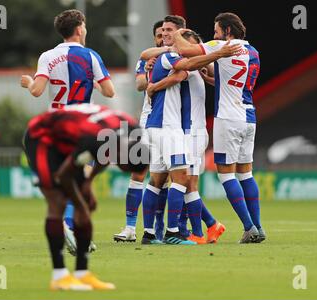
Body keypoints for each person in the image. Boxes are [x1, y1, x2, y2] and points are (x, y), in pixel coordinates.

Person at [23, 104, 148, 291]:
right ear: (122, 156)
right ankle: (59, 276)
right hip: (42, 137)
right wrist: (79, 203)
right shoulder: (94, 138)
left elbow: (106, 152)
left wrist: (88, 183)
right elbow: (64, 176)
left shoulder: (132, 131)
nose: (123, 171)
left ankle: (82, 273)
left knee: (85, 203)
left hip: (71, 137)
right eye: (124, 168)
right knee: (57, 201)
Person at [20, 9, 115, 253]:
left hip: (54, 125)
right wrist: (93, 82)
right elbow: (110, 92)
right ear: (80, 29)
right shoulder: (90, 56)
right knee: (80, 177)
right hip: (79, 125)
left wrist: (28, 82)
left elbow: (37, 91)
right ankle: (69, 225)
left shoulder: (47, 56)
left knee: (65, 178)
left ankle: (66, 224)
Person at [141, 15, 241, 245]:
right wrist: (216, 54)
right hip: (173, 128)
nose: (165, 35)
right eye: (162, 31)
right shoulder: (169, 58)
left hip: (174, 128)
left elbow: (192, 70)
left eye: (169, 31)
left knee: (159, 180)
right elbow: (183, 69)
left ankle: (154, 233)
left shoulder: (179, 61)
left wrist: (154, 85)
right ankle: (180, 232)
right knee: (183, 181)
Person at [173, 12, 266, 243]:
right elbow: (237, 82)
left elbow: (185, 51)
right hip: (248, 116)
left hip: (228, 118)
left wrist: (176, 33)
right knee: (246, 173)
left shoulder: (222, 45)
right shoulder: (253, 52)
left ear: (227, 31)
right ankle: (259, 227)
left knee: (226, 176)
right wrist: (213, 79)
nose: (213, 36)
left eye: (216, 31)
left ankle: (248, 228)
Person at [113, 20, 168, 243]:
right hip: (148, 121)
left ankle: (162, 228)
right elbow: (138, 85)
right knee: (139, 173)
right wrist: (149, 74)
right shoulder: (147, 59)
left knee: (167, 180)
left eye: (165, 33)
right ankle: (129, 228)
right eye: (158, 35)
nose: (162, 38)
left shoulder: (183, 57)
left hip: (175, 124)